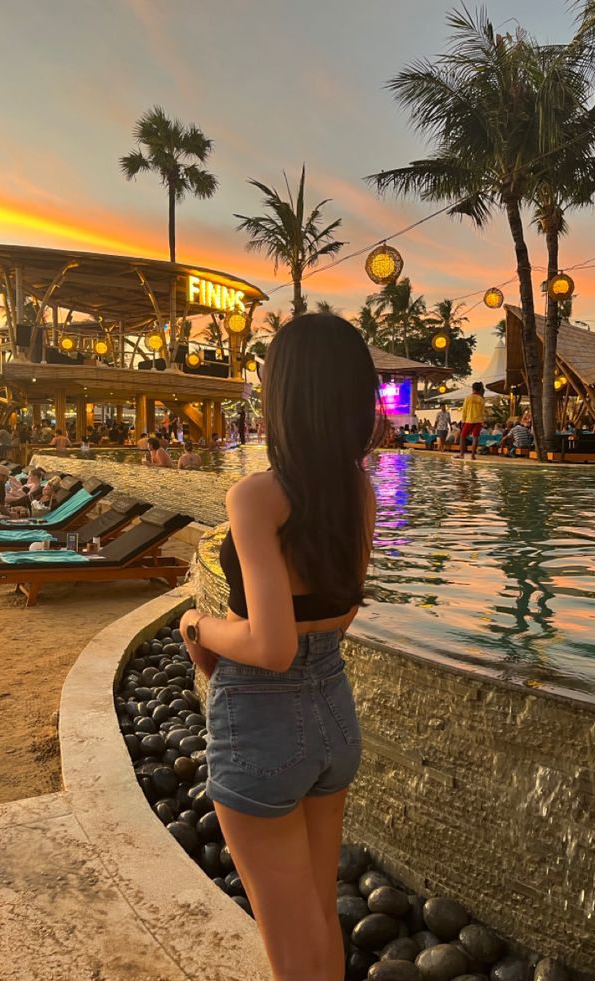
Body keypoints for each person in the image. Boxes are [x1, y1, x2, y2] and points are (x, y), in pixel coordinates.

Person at [179, 313, 379, 981]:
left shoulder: (257, 497)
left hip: (264, 725)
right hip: (333, 714)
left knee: (291, 947)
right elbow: (342, 612)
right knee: (319, 921)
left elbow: (271, 644)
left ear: (283, 396)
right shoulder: (360, 491)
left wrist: (197, 628)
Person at [457, 382, 485, 460]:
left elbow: (464, 410)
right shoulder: (481, 399)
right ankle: (472, 455)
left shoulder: (468, 398)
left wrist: (463, 421)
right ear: (479, 389)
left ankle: (462, 454)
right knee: (475, 438)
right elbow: (482, 411)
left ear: (472, 388)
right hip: (478, 420)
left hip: (469, 420)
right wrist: (482, 421)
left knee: (462, 437)